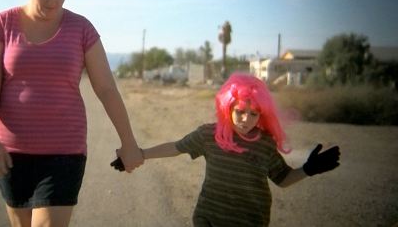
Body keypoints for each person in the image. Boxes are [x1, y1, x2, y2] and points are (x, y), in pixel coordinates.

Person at [0, 0, 144, 227]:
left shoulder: (81, 28)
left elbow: (106, 88)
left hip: (64, 151)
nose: (52, 2)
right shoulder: (2, 24)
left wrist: (129, 142)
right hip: (11, 152)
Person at [112, 73, 340, 226]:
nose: (246, 119)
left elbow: (282, 179)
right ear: (228, 106)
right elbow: (176, 147)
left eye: (254, 114)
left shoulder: (265, 144)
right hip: (208, 219)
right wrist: (139, 154)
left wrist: (309, 169)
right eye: (240, 111)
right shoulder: (209, 135)